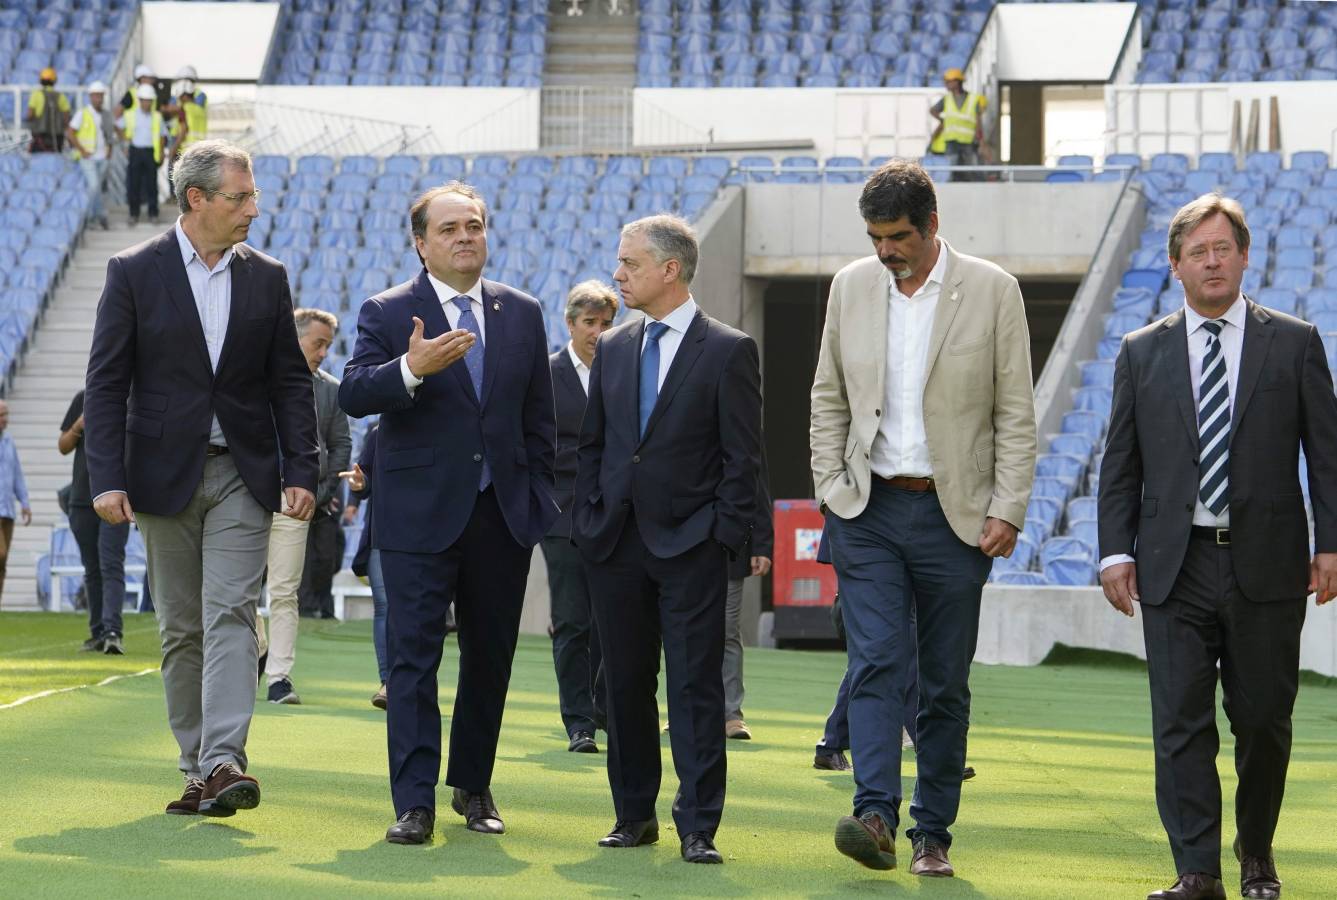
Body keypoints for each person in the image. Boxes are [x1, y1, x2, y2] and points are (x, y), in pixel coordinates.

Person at [1098, 193, 1337, 900]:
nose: (1211, 261)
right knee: (1178, 722)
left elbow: (1325, 456)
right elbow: (1120, 463)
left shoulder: (1292, 342)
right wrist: (1115, 551)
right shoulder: (1140, 352)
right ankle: (1195, 870)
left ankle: (1255, 852)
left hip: (1267, 563)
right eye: (1196, 251)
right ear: (1175, 265)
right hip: (1174, 564)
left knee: (1263, 719)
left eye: (1221, 248)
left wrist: (1331, 544)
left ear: (1242, 255)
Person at [810, 160, 1036, 877]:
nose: (886, 251)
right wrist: (828, 485)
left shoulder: (994, 291)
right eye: (875, 237)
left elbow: (1015, 414)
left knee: (942, 682)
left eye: (898, 235)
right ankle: (873, 812)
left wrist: (1006, 508)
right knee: (875, 660)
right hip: (866, 510)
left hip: (957, 519)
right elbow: (826, 396)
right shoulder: (849, 287)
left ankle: (931, 832)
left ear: (931, 224)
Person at [84, 139, 318, 818]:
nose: (253, 208)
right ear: (197, 200)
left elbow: (288, 383)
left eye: (252, 195)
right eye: (240, 197)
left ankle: (224, 760)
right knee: (182, 627)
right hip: (160, 478)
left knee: (231, 616)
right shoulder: (133, 270)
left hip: (243, 475)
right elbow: (106, 384)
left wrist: (300, 468)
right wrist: (106, 477)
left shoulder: (267, 275)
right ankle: (195, 768)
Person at [339, 182, 557, 846]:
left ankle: (473, 785)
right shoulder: (388, 309)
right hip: (417, 519)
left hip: (501, 516)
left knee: (489, 659)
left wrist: (536, 501)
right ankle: (413, 802)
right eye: (449, 229)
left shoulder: (521, 311)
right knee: (412, 661)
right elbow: (352, 392)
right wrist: (408, 368)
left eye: (475, 225)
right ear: (420, 243)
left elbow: (537, 420)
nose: (465, 236)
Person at [573, 214, 763, 865]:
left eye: (628, 264)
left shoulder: (728, 349)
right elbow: (593, 445)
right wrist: (588, 518)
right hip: (614, 544)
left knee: (693, 687)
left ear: (668, 269)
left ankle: (698, 825)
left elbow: (744, 459)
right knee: (622, 685)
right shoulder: (616, 347)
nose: (618, 274)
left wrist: (723, 537)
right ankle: (633, 816)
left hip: (692, 547)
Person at [257, 308, 350, 704]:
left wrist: (321, 488)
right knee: (236, 591)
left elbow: (341, 444)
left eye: (328, 345)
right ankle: (260, 647)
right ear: (295, 339)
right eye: (319, 343)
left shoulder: (330, 389)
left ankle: (279, 676)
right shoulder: (255, 378)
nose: (324, 352)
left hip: (296, 501)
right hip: (246, 495)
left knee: (284, 591)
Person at [544, 280, 618, 753]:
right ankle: (579, 721)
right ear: (570, 324)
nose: (598, 331)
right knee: (571, 621)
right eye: (589, 322)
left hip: (616, 513)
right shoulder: (545, 374)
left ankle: (606, 708)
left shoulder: (625, 369)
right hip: (562, 514)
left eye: (607, 323)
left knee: (612, 621)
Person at [59, 389, 130, 653]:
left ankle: (113, 631)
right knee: (92, 567)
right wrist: (78, 425)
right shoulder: (82, 398)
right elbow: (63, 446)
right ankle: (98, 631)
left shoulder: (131, 399)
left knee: (111, 562)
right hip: (81, 498)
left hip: (117, 498)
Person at [723, 461, 772, 741]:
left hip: (731, 544)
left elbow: (757, 481)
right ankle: (690, 709)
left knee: (728, 628)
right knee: (685, 630)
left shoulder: (740, 418)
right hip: (683, 542)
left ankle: (731, 713)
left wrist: (762, 544)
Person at [341, 424, 388, 710]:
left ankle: (412, 682)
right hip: (384, 530)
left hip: (433, 533)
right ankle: (388, 682)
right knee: (385, 605)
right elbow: (365, 474)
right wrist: (359, 488)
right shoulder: (378, 430)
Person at [66, 80, 116, 230]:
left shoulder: (107, 114)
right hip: (88, 158)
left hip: (103, 157)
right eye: (96, 96)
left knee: (98, 188)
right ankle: (99, 216)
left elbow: (110, 135)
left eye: (101, 96)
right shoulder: (82, 113)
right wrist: (81, 150)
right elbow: (70, 132)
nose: (99, 99)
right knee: (94, 186)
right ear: (90, 97)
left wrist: (109, 153)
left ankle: (95, 217)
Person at [929, 68, 989, 178]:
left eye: (948, 82)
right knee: (952, 170)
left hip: (969, 141)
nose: (946, 85)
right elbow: (933, 110)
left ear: (957, 82)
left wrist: (981, 140)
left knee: (972, 169)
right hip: (952, 141)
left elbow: (978, 122)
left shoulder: (973, 99)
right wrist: (943, 120)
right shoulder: (947, 99)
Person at [0, 401, 31, 607]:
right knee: (0, 554)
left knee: (3, 561)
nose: (5, 419)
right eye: (2, 415)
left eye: (6, 414)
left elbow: (17, 473)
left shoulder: (9, 441)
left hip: (7, 509)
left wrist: (25, 502)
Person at [124, 83, 165, 225]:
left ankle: (153, 213)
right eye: (145, 100)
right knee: (133, 183)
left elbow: (162, 135)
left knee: (151, 184)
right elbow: (121, 129)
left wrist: (161, 153)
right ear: (140, 100)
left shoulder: (157, 117)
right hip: (135, 150)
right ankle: (133, 214)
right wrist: (125, 145)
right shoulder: (130, 115)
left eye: (149, 100)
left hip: (150, 152)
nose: (147, 103)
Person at [25, 67, 71, 153]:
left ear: (41, 80)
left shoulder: (36, 95)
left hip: (39, 137)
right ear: (54, 81)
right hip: (57, 138)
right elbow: (66, 118)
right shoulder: (61, 96)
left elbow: (30, 115)